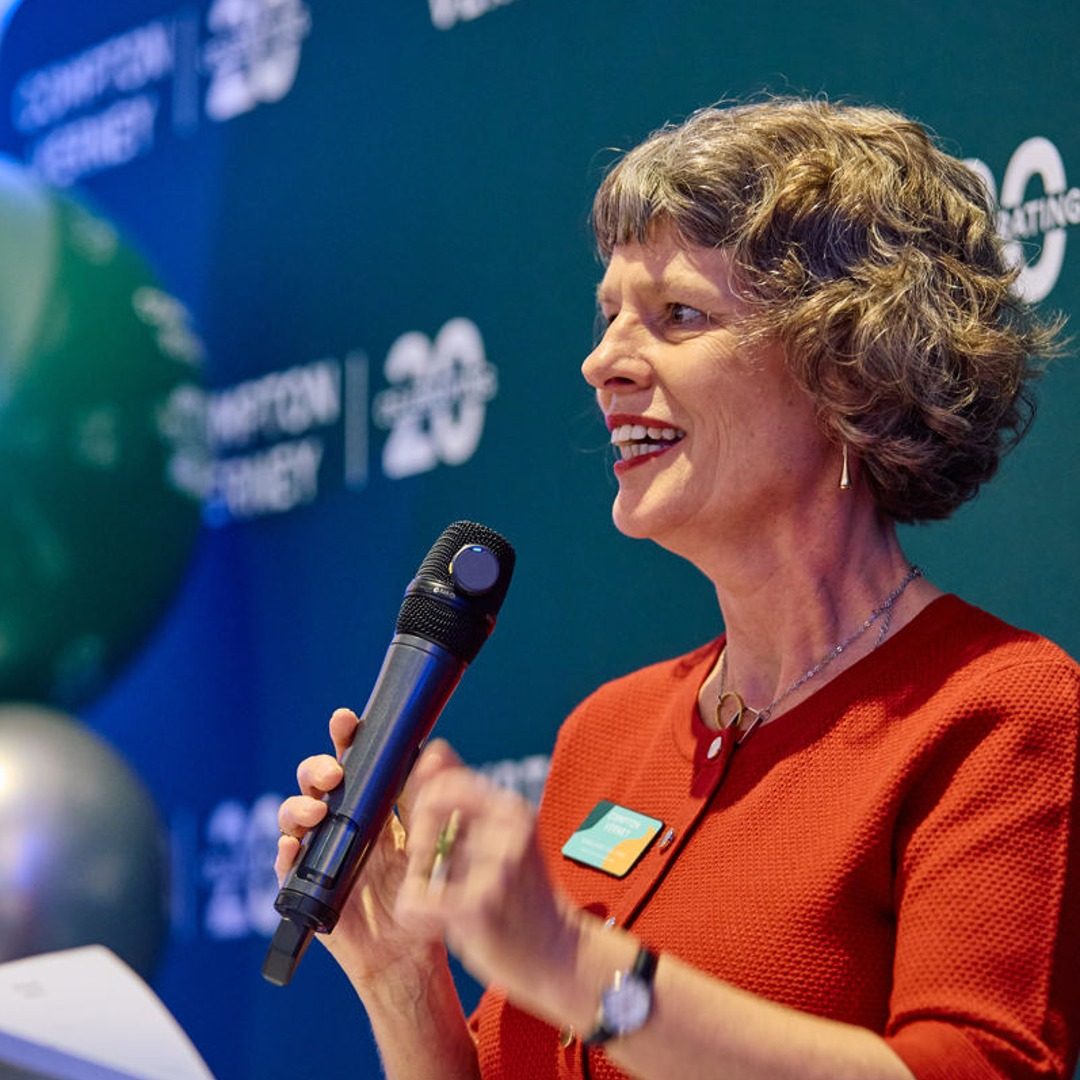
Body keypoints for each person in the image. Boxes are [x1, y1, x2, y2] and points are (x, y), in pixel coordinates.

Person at [275, 98, 1079, 1080]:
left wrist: (572, 962)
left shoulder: (996, 713)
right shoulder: (609, 733)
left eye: (678, 316)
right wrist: (398, 968)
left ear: (853, 376)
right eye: (608, 314)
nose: (603, 360)